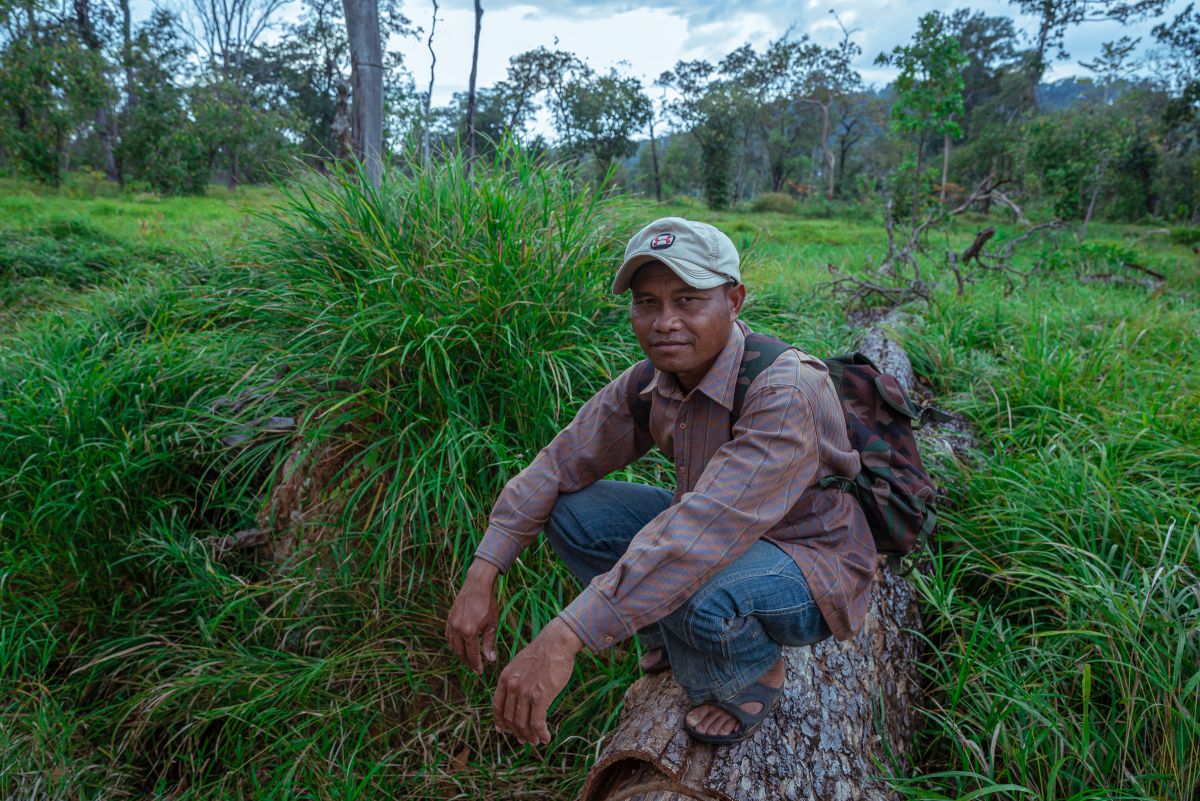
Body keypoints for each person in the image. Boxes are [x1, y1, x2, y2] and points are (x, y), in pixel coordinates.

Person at [445, 216, 876, 746]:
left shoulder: (785, 390)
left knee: (697, 586)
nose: (664, 321)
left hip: (809, 558)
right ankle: (664, 633)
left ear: (734, 300)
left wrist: (564, 637)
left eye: (689, 299)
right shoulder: (654, 378)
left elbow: (702, 533)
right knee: (571, 507)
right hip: (718, 533)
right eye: (647, 302)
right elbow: (558, 464)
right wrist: (483, 572)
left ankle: (752, 670)